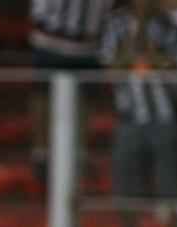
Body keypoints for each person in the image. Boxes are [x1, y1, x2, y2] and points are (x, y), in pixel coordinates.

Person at [100, 0, 177, 227]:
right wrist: (142, 52)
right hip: (129, 119)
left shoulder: (175, 25)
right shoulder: (115, 24)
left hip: (166, 118)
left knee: (171, 192)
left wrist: (140, 52)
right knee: (126, 193)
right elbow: (111, 70)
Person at [28, 0, 114, 178]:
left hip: (88, 46)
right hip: (51, 41)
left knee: (84, 100)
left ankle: (78, 151)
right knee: (44, 95)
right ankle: (42, 151)